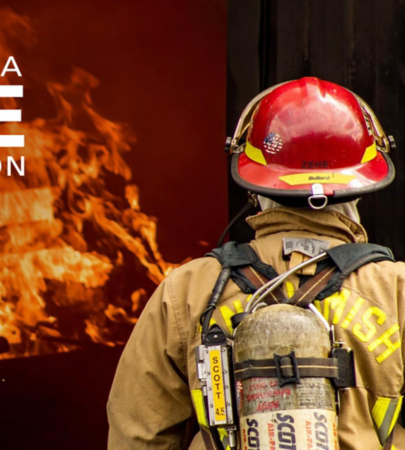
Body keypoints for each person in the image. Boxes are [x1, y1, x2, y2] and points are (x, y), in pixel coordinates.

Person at [107, 77, 405, 449]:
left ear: (255, 186)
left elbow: (138, 436)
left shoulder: (186, 292)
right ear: (362, 182)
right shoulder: (397, 291)